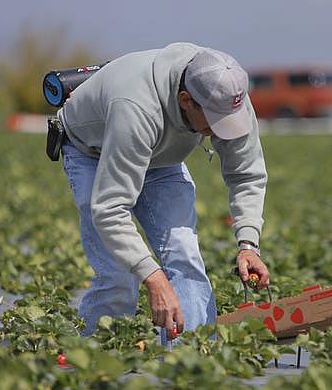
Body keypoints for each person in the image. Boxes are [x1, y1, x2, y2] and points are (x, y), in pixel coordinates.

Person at [58, 42, 269, 342]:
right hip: (94, 150)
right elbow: (110, 209)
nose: (223, 130)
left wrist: (249, 244)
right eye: (214, 122)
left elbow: (247, 174)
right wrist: (153, 277)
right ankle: (95, 359)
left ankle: (191, 361)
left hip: (162, 157)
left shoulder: (227, 92)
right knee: (120, 275)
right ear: (185, 100)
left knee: (185, 257)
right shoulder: (136, 105)